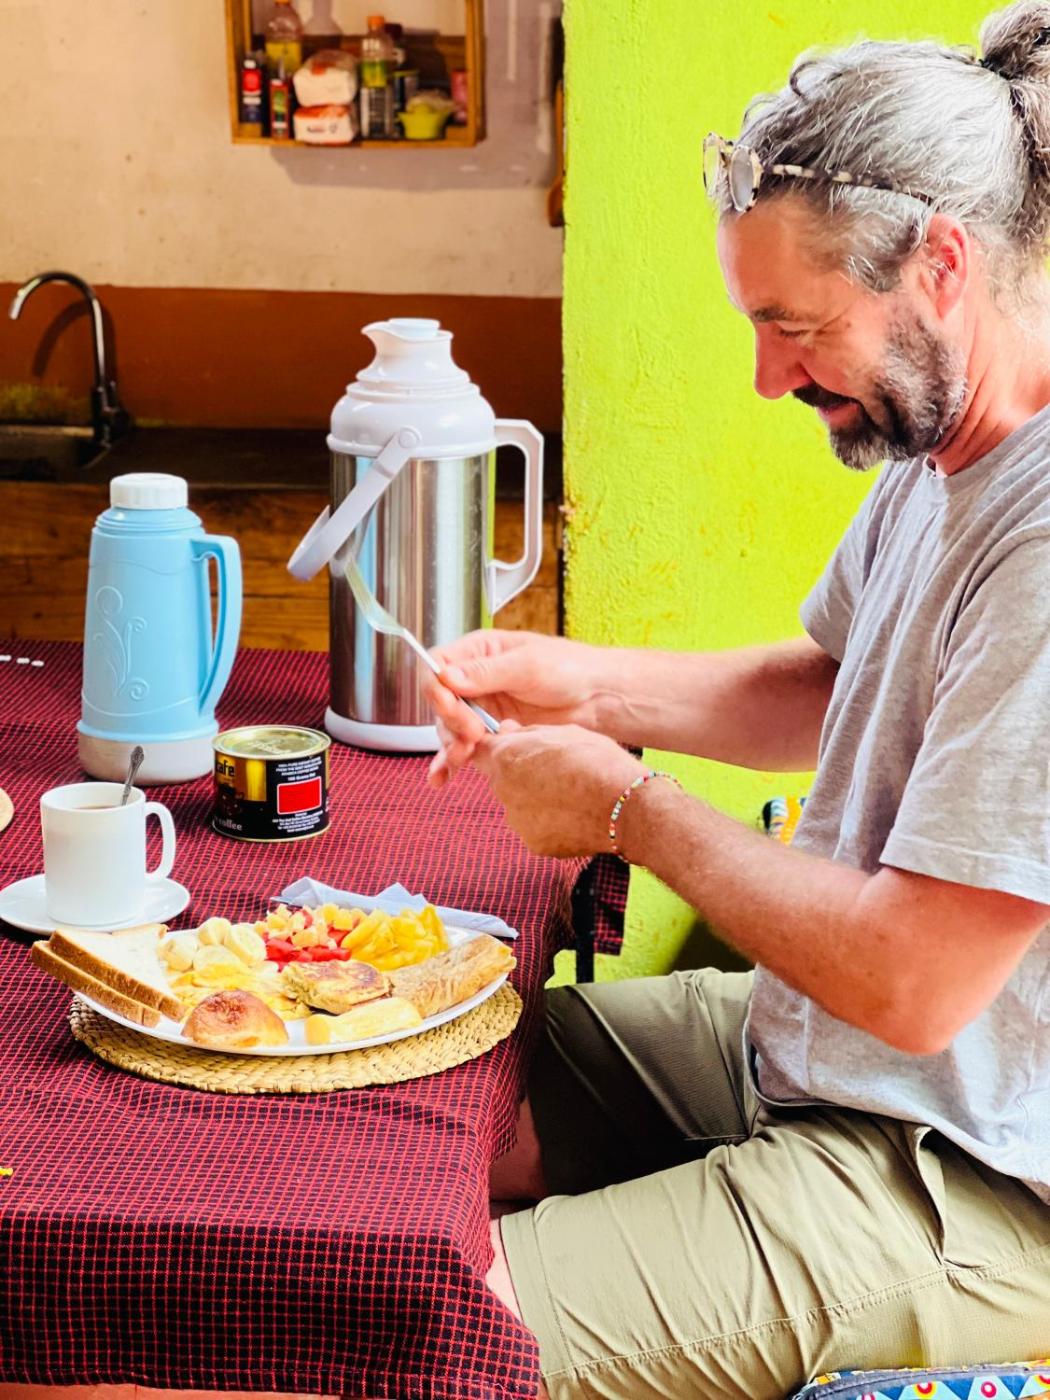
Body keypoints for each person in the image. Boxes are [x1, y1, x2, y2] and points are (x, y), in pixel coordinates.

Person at [425, 3, 1050, 1396]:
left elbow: (915, 981)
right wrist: (588, 684)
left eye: (793, 326)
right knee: (423, 1076)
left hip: (972, 1164)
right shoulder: (941, 451)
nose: (768, 377)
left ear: (941, 265)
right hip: (823, 1050)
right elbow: (833, 685)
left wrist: (629, 810)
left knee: (414, 1321)